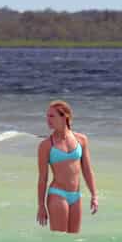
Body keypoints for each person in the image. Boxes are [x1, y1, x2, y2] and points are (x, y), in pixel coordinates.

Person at [36, 99, 98, 233]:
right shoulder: (46, 145)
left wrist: (94, 195)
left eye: (52, 116)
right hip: (58, 194)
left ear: (65, 117)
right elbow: (43, 178)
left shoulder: (81, 140)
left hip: (76, 195)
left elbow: (87, 170)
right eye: (47, 116)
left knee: (73, 241)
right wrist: (41, 206)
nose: (48, 120)